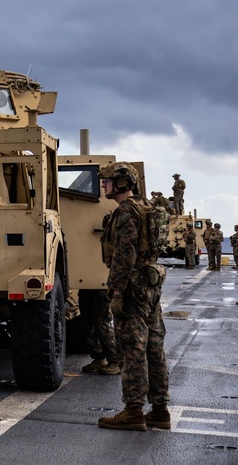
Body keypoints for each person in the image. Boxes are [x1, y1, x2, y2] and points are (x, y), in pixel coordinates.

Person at [97, 162, 170, 431]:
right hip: (150, 283)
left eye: (107, 181)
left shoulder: (126, 211)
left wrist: (116, 292)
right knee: (154, 346)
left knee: (132, 348)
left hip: (132, 287)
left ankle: (133, 411)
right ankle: (160, 410)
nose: (103, 185)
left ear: (121, 183)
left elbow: (124, 254)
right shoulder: (146, 207)